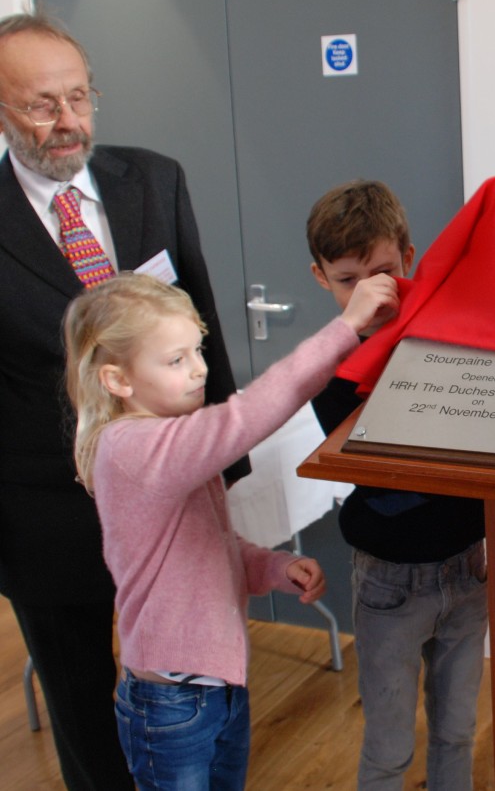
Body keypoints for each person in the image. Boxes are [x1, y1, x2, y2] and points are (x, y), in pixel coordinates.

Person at [0, 12, 246, 790]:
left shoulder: (156, 179)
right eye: (43, 104)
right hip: (47, 516)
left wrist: (232, 474)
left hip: (176, 505)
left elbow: (202, 329)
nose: (69, 122)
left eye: (80, 96)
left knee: (194, 697)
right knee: (81, 709)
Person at [62, 270, 398, 789]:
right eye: (176, 360)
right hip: (171, 700)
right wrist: (347, 328)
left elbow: (210, 546)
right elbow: (244, 418)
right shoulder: (130, 449)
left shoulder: (167, 440)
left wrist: (275, 567)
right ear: (117, 380)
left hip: (219, 687)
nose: (199, 370)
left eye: (197, 350)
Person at [306, 180, 488, 791]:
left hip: (469, 567)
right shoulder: (327, 366)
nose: (368, 293)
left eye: (382, 272)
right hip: (388, 579)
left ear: (409, 257)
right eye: (347, 280)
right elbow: (361, 447)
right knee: (388, 746)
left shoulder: (448, 335)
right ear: (321, 278)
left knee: (457, 730)